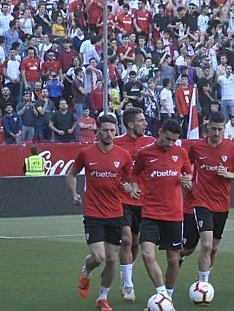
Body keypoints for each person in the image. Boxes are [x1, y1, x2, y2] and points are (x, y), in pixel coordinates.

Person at [66, 114, 133, 311]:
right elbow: (71, 174)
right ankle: (86, 270)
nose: (109, 134)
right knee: (98, 257)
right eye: (105, 130)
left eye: (113, 130)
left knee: (112, 260)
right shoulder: (86, 153)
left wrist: (130, 188)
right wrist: (74, 193)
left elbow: (127, 181)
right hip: (93, 211)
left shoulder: (123, 156)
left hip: (115, 212)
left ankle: (102, 298)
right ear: (98, 132)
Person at [130, 119, 192, 299]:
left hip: (174, 214)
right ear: (159, 132)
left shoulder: (180, 153)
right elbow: (134, 174)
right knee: (147, 254)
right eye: (167, 139)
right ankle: (162, 294)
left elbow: (188, 173)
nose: (171, 143)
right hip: (150, 213)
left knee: (173, 259)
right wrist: (134, 187)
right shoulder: (144, 153)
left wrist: (187, 179)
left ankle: (169, 296)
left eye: (174, 140)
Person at [189, 112, 234, 285]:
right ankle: (203, 285)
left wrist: (228, 174)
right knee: (207, 245)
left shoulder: (232, 149)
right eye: (213, 129)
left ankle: (203, 278)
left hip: (222, 204)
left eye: (220, 129)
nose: (216, 133)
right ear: (207, 127)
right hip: (201, 200)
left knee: (214, 247)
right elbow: (188, 165)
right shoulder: (197, 147)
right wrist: (188, 178)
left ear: (224, 129)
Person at [114, 107, 156, 302]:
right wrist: (126, 186)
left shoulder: (150, 143)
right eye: (141, 120)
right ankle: (128, 284)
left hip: (144, 200)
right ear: (130, 124)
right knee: (126, 239)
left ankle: (126, 273)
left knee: (136, 242)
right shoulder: (116, 144)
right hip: (122, 200)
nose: (145, 123)